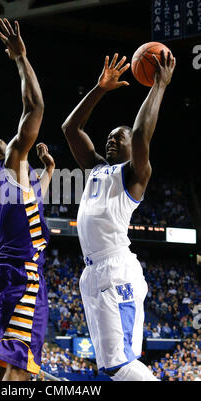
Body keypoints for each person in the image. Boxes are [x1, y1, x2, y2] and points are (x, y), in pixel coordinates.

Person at [62, 50, 175, 381]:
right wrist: (99, 89)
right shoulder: (98, 169)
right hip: (92, 273)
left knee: (122, 365)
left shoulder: (134, 174)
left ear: (130, 147)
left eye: (117, 139)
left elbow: (141, 134)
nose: (111, 142)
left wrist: (159, 85)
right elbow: (71, 128)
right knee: (111, 371)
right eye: (108, 139)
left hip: (117, 270)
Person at [0, 18, 55, 381]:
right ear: (0, 153)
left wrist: (48, 172)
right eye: (8, 145)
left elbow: (29, 205)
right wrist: (22, 59)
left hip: (4, 274)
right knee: (18, 373)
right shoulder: (9, 166)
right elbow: (35, 107)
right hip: (23, 276)